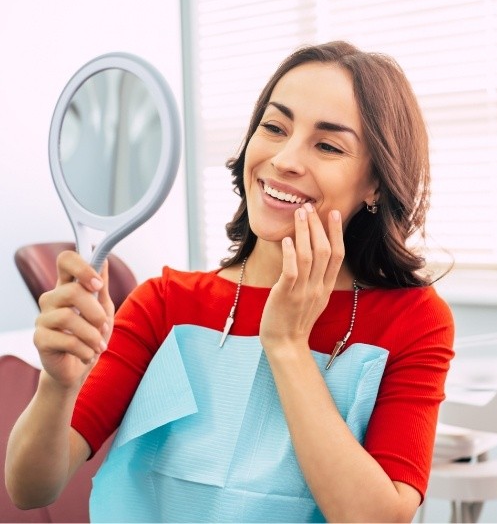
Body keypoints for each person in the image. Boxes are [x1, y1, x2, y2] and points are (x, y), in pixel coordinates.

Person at [6, 41, 454, 523]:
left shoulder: (414, 322)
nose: (284, 159)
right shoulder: (165, 303)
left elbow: (375, 519)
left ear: (376, 184)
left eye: (327, 145)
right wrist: (56, 385)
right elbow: (31, 487)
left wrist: (285, 343)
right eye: (274, 127)